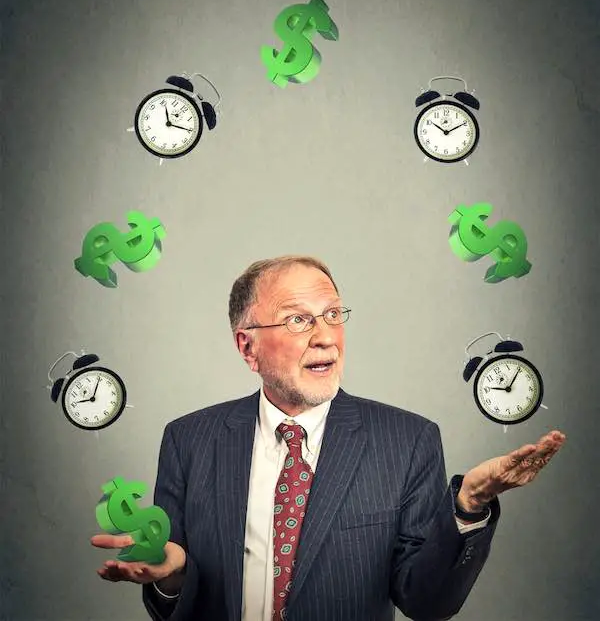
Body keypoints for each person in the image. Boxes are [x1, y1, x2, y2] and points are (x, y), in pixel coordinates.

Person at [91, 255, 566, 621]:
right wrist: (171, 578)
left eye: (334, 314)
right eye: (299, 319)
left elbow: (428, 601)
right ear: (247, 346)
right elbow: (169, 598)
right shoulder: (188, 440)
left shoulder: (408, 441)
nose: (326, 337)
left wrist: (469, 505)